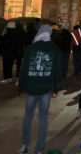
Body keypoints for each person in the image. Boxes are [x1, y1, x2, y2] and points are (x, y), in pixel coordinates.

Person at [18, 24, 63, 154]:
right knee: (43, 118)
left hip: (31, 88)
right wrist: (56, 88)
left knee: (28, 116)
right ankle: (39, 149)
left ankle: (24, 144)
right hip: (46, 88)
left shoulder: (31, 48)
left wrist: (21, 88)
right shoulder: (54, 49)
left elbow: (24, 69)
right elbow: (57, 71)